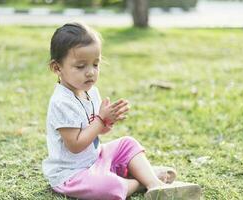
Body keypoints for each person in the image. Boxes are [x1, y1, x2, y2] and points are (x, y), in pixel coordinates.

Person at [42, 22, 181, 200]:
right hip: (72, 174)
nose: (90, 73)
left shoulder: (90, 91)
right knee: (108, 187)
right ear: (57, 68)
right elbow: (75, 145)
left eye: (95, 64)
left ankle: (155, 184)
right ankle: (141, 180)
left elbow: (96, 131)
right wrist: (100, 120)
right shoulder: (61, 102)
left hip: (95, 158)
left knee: (127, 143)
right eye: (80, 66)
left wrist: (107, 123)